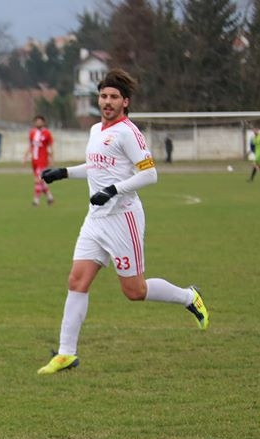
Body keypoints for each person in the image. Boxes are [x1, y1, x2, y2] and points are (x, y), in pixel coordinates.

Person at [37, 68, 209, 375]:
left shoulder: (129, 133)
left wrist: (113, 190)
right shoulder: (95, 131)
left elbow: (150, 174)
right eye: (103, 96)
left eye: (114, 97)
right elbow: (95, 166)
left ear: (125, 102)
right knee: (77, 280)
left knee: (134, 291)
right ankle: (66, 353)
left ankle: (188, 296)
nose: (107, 101)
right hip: (96, 218)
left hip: (123, 218)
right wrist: (63, 172)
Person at [24, 115, 54, 207]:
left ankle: (36, 200)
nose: (38, 123)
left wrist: (52, 158)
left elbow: (50, 147)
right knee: (41, 181)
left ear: (43, 122)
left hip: (43, 160)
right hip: (34, 160)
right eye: (37, 121)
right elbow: (30, 145)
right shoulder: (32, 133)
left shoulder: (47, 133)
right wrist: (25, 156)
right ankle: (49, 197)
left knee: (37, 180)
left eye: (40, 121)